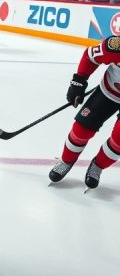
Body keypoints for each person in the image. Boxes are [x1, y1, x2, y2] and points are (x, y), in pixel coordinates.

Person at [49, 36, 120, 190]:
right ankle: (67, 160)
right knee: (81, 130)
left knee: (119, 141)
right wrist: (79, 81)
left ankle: (98, 165)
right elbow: (90, 56)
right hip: (109, 92)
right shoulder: (116, 46)